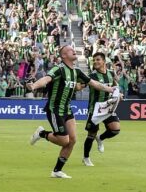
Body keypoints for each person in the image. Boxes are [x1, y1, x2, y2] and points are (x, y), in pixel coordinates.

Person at [27, 45, 114, 178]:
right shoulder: (59, 69)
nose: (73, 50)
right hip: (55, 109)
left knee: (72, 140)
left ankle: (56, 171)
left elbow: (94, 83)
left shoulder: (77, 71)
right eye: (69, 50)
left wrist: (110, 89)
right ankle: (41, 133)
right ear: (64, 56)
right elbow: (46, 79)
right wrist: (33, 85)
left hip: (67, 109)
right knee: (64, 141)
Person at [82, 52, 121, 167]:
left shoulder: (110, 73)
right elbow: (82, 85)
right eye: (94, 60)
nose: (95, 62)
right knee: (91, 135)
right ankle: (86, 158)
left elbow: (115, 85)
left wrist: (119, 93)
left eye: (98, 60)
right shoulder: (92, 75)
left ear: (104, 61)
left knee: (115, 129)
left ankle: (100, 138)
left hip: (108, 107)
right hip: (95, 109)